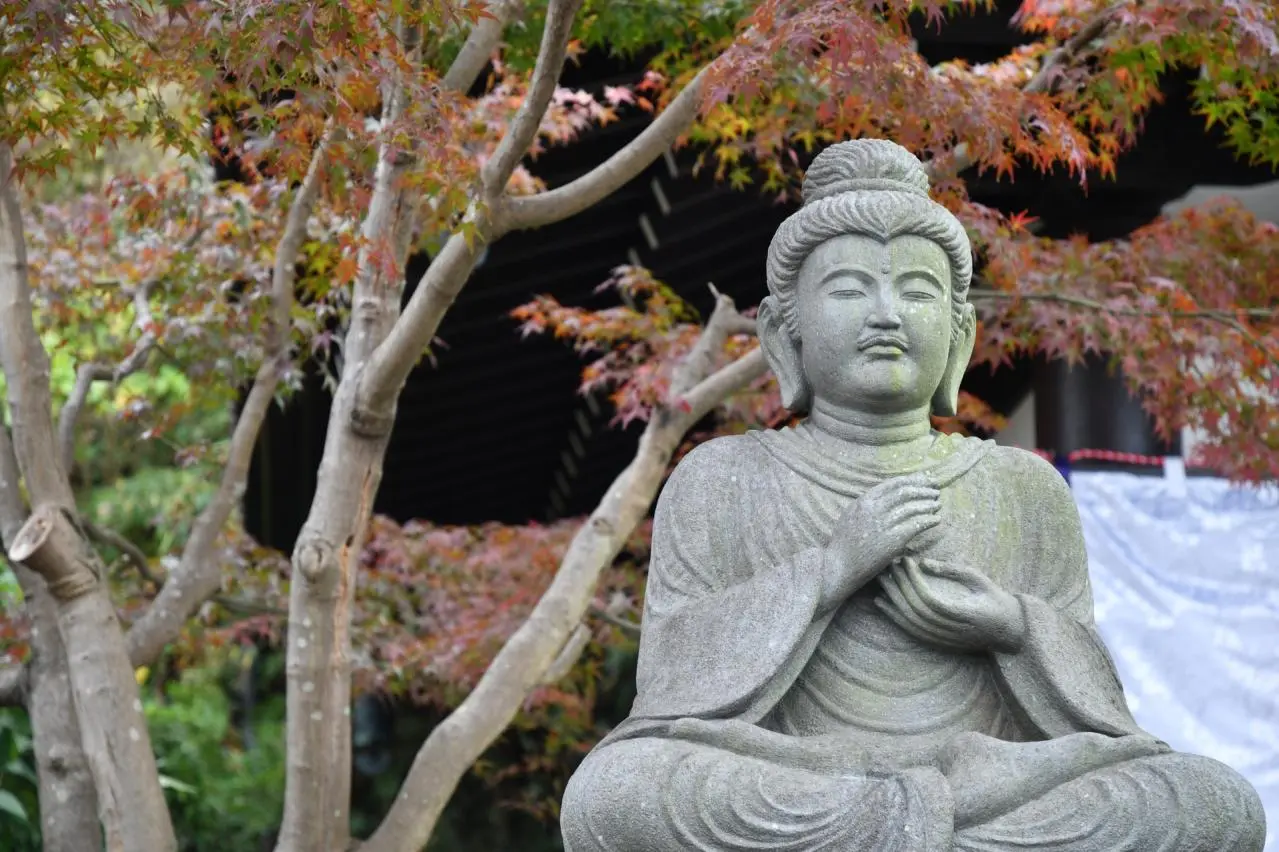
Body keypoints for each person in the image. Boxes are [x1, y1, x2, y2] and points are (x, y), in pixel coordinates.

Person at [559, 139, 1266, 851]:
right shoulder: (720, 478)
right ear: (783, 333)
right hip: (800, 778)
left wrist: (1010, 626)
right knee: (616, 793)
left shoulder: (1021, 489)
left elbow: (1099, 721)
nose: (886, 314)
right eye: (847, 289)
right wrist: (830, 570)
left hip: (993, 782)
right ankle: (913, 827)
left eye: (917, 291)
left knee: (1213, 802)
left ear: (960, 336)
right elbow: (669, 690)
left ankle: (911, 825)